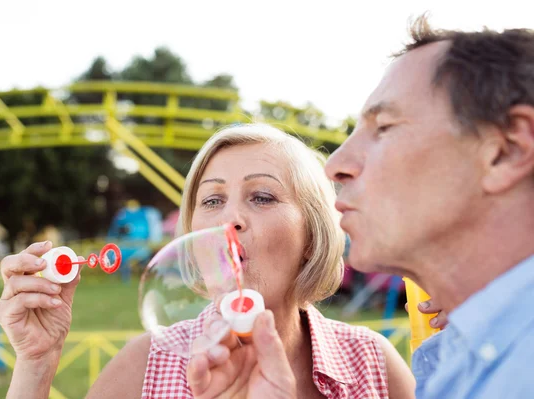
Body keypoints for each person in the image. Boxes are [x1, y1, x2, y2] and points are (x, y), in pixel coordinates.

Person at [193, 15, 534, 399]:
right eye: (211, 200)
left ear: (506, 151)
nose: (335, 164)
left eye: (384, 127)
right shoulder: (455, 362)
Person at [0, 123, 416, 398]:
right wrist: (36, 363)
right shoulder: (145, 367)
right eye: (212, 200)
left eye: (262, 196)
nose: (229, 219)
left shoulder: (372, 366)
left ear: (313, 234)